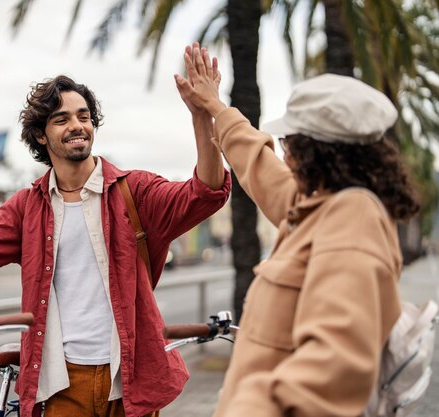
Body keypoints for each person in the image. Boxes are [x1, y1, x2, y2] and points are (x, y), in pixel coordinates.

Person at [0, 73, 230, 417]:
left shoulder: (135, 192)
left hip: (131, 375)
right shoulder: (28, 208)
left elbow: (206, 192)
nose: (77, 125)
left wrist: (201, 115)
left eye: (83, 116)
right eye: (62, 119)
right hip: (63, 384)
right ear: (40, 135)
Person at [173, 44, 420, 417]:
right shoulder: (321, 208)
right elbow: (260, 167)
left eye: (290, 143)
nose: (285, 155)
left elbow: (333, 371)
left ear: (315, 151)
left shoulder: (351, 220)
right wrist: (214, 108)